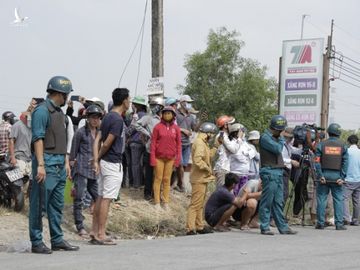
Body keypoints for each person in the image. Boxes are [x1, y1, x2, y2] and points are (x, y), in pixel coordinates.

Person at [29, 76, 79, 254]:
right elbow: (38, 138)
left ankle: (57, 239)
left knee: (56, 205)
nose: (67, 98)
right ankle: (36, 241)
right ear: (60, 93)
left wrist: (66, 162)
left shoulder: (60, 114)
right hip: (46, 163)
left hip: (59, 164)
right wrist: (41, 165)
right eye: (66, 95)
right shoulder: (42, 111)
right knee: (39, 204)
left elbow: (62, 140)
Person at [91, 88, 130, 245]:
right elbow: (107, 143)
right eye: (129, 99)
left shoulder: (107, 117)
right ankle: (101, 233)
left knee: (101, 196)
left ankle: (94, 231)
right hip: (112, 163)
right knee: (107, 199)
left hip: (104, 162)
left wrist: (96, 160)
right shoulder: (117, 120)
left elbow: (97, 139)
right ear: (124, 101)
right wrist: (98, 157)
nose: (130, 102)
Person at [258, 115, 297, 235]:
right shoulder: (265, 138)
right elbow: (277, 149)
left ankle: (283, 227)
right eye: (281, 130)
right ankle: (264, 226)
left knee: (278, 201)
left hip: (278, 171)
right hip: (270, 172)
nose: (282, 133)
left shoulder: (275, 137)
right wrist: (281, 139)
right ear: (275, 129)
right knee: (267, 201)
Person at [70, 105, 102, 236]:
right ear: (87, 118)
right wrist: (71, 170)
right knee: (79, 198)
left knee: (99, 198)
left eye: (98, 118)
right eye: (93, 117)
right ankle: (79, 226)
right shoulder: (80, 132)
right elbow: (73, 153)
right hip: (82, 169)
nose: (95, 120)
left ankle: (100, 227)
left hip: (94, 171)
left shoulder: (100, 133)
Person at [314, 123, 348, 230]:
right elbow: (345, 163)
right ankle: (339, 224)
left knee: (322, 199)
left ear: (328, 132)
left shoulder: (321, 145)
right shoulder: (343, 146)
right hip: (337, 176)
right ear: (338, 133)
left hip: (324, 175)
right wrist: (342, 177)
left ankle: (320, 223)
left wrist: (320, 175)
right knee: (338, 200)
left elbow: (317, 161)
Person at [186, 122, 218, 235]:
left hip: (202, 178)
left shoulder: (202, 142)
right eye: (212, 134)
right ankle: (190, 228)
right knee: (195, 204)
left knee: (200, 204)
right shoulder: (199, 143)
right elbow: (198, 160)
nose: (212, 136)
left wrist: (216, 146)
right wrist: (208, 169)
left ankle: (199, 226)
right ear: (207, 133)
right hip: (199, 178)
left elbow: (209, 155)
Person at [150, 106, 181, 209]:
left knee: (167, 180)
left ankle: (166, 201)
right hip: (159, 158)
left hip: (170, 159)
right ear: (162, 115)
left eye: (169, 113)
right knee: (158, 179)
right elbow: (153, 144)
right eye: (165, 113)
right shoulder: (157, 127)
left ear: (173, 115)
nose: (167, 115)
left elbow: (179, 145)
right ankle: (157, 202)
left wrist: (177, 160)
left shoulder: (176, 128)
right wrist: (153, 159)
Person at [134, 96, 164, 200]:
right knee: (149, 173)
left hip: (162, 150)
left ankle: (156, 194)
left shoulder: (163, 118)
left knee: (159, 174)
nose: (154, 107)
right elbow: (136, 125)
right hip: (150, 149)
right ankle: (147, 194)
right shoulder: (148, 117)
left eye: (156, 105)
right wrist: (148, 133)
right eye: (152, 105)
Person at [175, 95, 197, 192]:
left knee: (183, 165)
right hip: (177, 142)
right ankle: (181, 184)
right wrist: (183, 130)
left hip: (187, 144)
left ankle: (178, 183)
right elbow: (171, 126)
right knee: (179, 165)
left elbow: (195, 128)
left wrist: (201, 121)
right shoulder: (175, 113)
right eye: (187, 102)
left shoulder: (191, 116)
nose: (189, 104)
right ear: (182, 102)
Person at [126, 96, 147, 189]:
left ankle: (136, 184)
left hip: (135, 141)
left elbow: (132, 129)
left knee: (135, 164)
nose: (132, 106)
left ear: (138, 105)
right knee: (141, 164)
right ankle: (142, 182)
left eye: (133, 104)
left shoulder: (137, 116)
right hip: (144, 142)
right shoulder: (147, 115)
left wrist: (127, 134)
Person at [343, 134, 360, 226]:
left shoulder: (347, 151)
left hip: (348, 179)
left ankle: (346, 218)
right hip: (358, 180)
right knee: (357, 201)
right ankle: (356, 220)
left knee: (344, 199)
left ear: (348, 142)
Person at [213, 115, 233, 187]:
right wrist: (238, 139)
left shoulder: (223, 135)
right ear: (225, 125)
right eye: (230, 124)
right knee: (221, 191)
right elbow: (233, 149)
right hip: (222, 168)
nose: (231, 126)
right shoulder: (222, 135)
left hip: (223, 167)